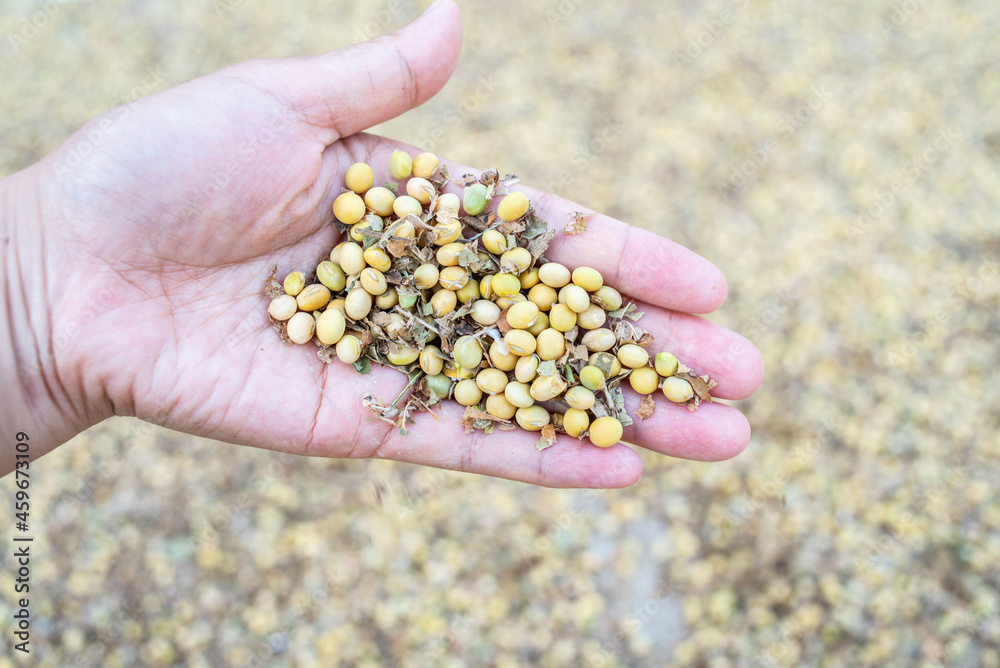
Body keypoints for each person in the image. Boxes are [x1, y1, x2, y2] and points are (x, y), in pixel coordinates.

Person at [0, 0, 763, 485]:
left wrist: (35, 317)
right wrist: (30, 320)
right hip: (433, 316)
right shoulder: (385, 274)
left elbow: (494, 335)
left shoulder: (476, 306)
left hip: (464, 323)